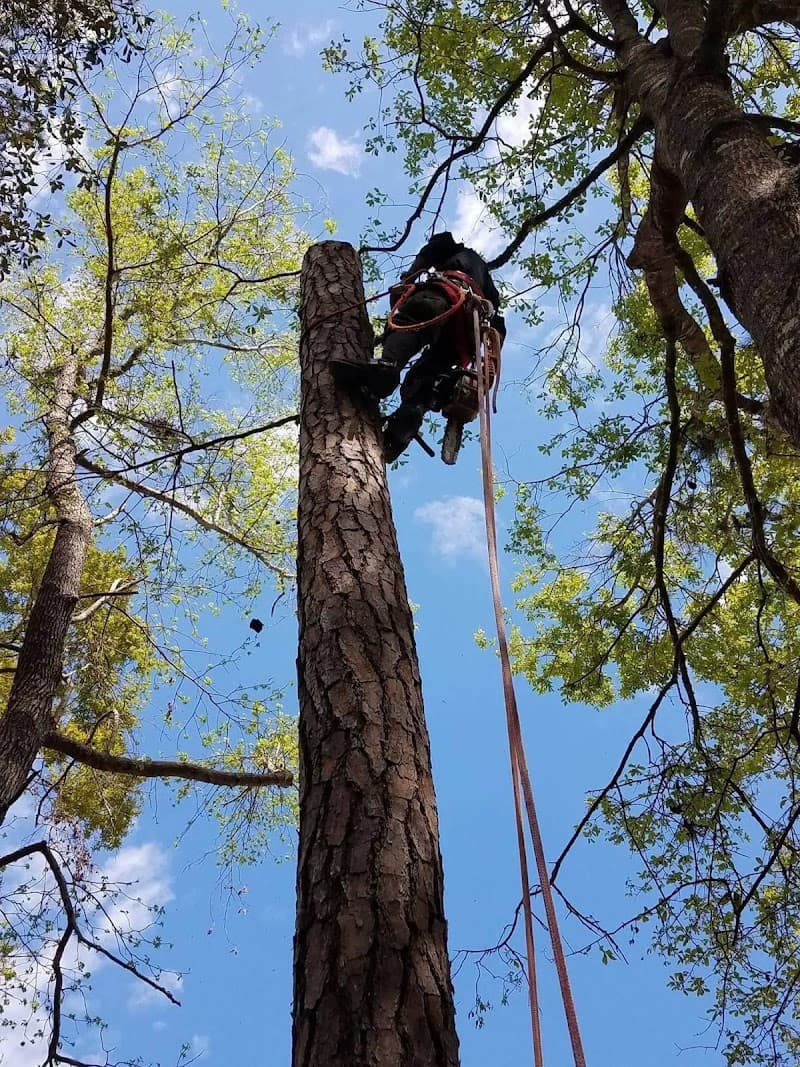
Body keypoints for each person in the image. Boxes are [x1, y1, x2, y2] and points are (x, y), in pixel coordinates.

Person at [330, 232, 505, 459]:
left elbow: (433, 249)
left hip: (448, 294)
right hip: (464, 337)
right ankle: (407, 420)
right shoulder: (490, 291)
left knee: (412, 321)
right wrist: (486, 370)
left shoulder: (455, 252)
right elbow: (498, 328)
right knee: (425, 377)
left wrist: (408, 279)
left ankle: (387, 368)